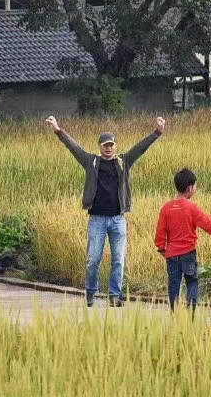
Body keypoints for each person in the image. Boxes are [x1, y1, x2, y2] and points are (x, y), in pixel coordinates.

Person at [46, 114, 166, 307]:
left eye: (111, 145)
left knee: (118, 260)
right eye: (105, 145)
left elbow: (140, 148)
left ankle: (114, 296)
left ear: (115, 146)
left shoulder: (124, 161)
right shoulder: (91, 161)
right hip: (97, 220)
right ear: (100, 146)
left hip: (118, 219)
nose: (108, 148)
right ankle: (90, 292)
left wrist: (157, 132)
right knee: (93, 259)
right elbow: (73, 147)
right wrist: (58, 130)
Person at [154, 168, 211, 312]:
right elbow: (210, 225)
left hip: (171, 255)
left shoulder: (166, 208)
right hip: (188, 253)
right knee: (192, 282)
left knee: (174, 284)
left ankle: (174, 314)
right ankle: (192, 314)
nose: (195, 189)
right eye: (195, 186)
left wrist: (162, 249)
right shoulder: (191, 208)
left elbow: (160, 232)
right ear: (189, 188)